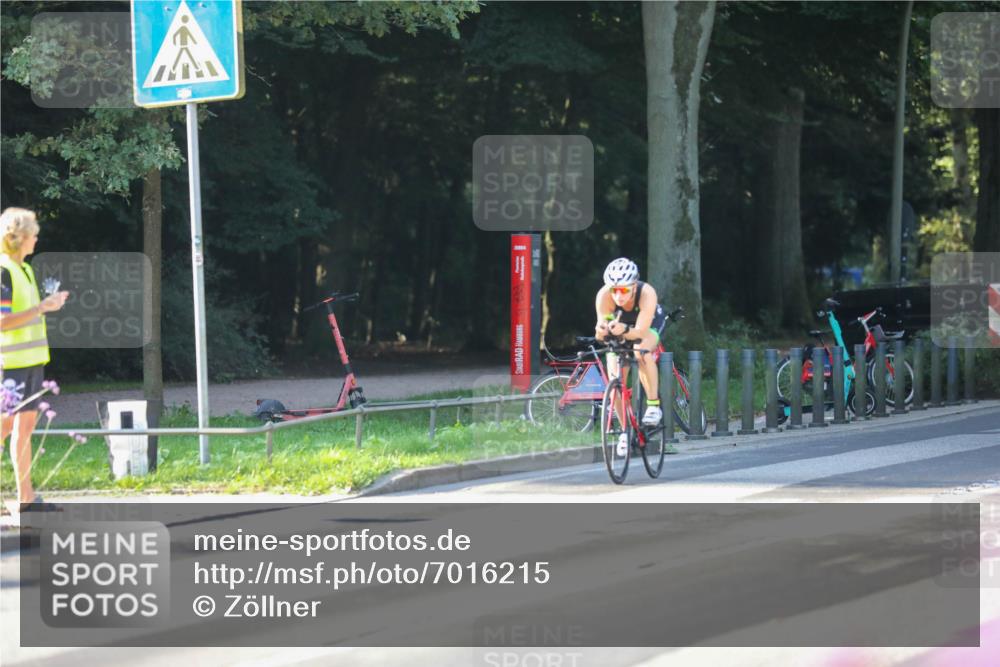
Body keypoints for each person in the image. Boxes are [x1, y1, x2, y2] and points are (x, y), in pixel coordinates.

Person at [1, 207, 68, 513]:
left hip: (31, 363)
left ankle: (26, 499)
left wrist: (47, 305)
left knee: (23, 432)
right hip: (10, 366)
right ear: (20, 236)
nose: (37, 239)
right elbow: (2, 321)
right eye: (34, 234)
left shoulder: (24, 269)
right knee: (4, 429)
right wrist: (42, 308)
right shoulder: (4, 271)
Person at [594, 257, 666, 454]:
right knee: (615, 376)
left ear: (634, 286)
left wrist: (624, 328)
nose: (618, 295)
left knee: (640, 351)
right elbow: (601, 331)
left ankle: (653, 405)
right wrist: (601, 329)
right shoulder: (604, 296)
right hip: (621, 327)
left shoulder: (646, 293)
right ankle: (624, 431)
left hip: (647, 325)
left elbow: (640, 332)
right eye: (614, 290)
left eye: (624, 290)